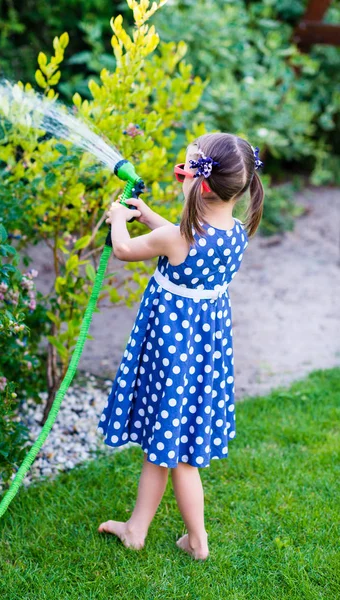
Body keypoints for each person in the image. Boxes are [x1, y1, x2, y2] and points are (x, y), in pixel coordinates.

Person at [96, 132, 265, 560]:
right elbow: (179, 238)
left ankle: (196, 539)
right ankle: (142, 528)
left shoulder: (177, 239)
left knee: (177, 458)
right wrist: (149, 214)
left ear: (199, 183)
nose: (180, 169)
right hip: (202, 350)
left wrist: (119, 215)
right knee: (165, 442)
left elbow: (123, 249)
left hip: (169, 350)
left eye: (186, 165)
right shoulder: (236, 231)